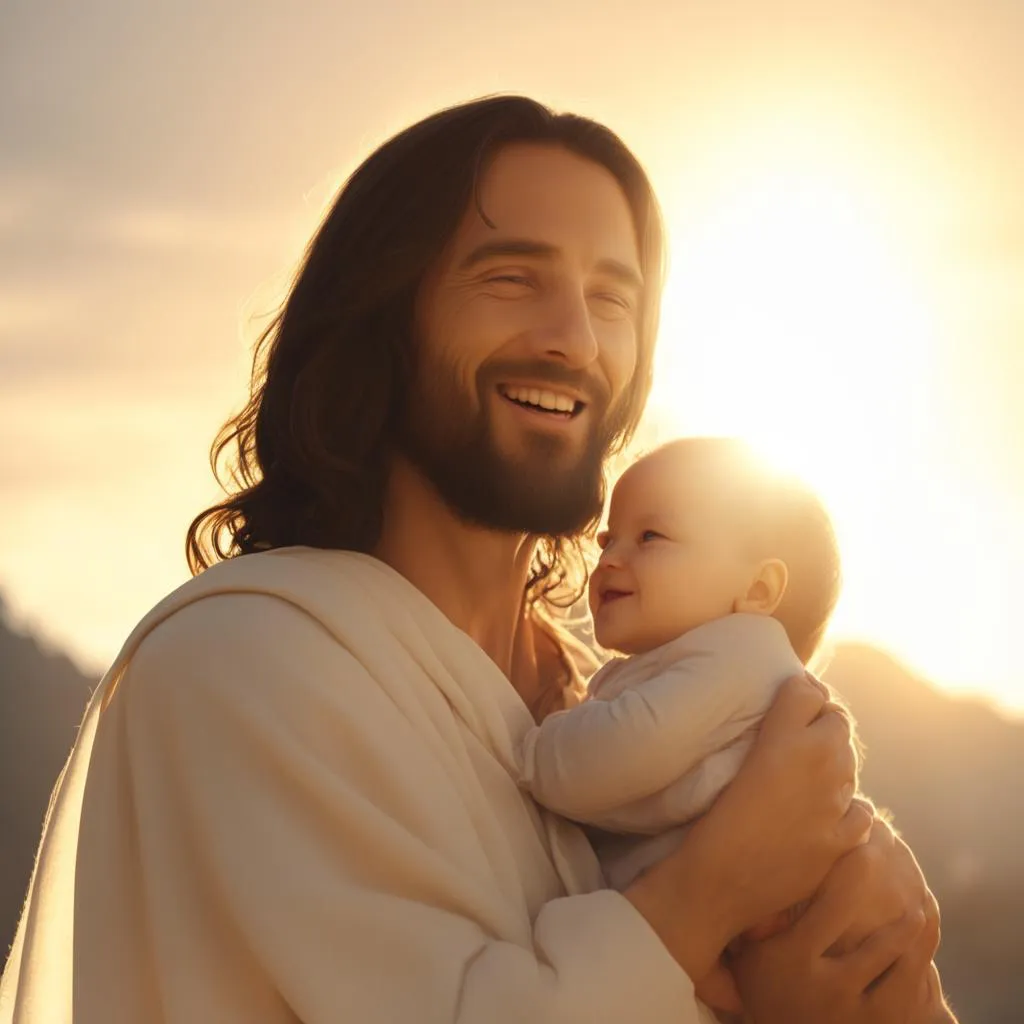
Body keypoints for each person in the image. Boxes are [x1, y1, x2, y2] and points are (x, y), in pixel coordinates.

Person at [0, 95, 955, 1023]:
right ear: (383, 318)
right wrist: (719, 886)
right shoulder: (237, 664)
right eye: (511, 278)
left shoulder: (608, 697)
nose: (575, 339)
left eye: (611, 298)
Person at [521, 436, 872, 1017]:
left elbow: (621, 754)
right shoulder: (678, 669)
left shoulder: (740, 654)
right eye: (608, 538)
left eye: (650, 537)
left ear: (757, 590)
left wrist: (534, 752)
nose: (609, 557)